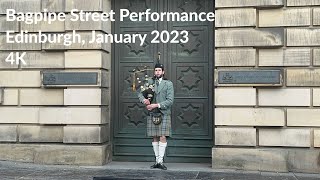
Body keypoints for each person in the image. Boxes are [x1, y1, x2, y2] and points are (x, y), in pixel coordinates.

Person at [138, 62, 174, 170]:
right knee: (154, 137)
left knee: (162, 136)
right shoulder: (150, 82)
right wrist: (144, 100)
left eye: (159, 70)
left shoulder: (168, 84)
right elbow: (140, 93)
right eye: (156, 70)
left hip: (164, 113)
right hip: (152, 113)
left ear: (163, 72)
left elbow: (170, 101)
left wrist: (156, 105)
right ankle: (157, 161)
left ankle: (160, 161)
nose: (157, 72)